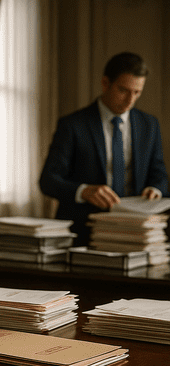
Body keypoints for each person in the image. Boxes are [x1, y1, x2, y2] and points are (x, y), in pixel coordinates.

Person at [39, 52, 168, 245]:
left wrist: (155, 188)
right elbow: (48, 180)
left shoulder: (149, 125)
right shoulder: (73, 125)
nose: (130, 100)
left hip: (136, 233)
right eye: (123, 90)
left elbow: (159, 173)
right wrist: (83, 191)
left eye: (137, 92)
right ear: (105, 83)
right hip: (84, 234)